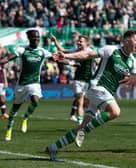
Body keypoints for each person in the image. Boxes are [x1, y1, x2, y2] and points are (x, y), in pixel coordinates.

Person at [45, 29, 136, 161]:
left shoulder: (132, 61)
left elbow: (134, 76)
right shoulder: (111, 50)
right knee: (115, 112)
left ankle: (54, 147)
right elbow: (87, 54)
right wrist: (66, 56)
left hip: (107, 93)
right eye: (135, 40)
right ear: (127, 40)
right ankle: (83, 131)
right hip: (97, 87)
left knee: (81, 126)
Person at [4, 29, 56, 141]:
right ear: (29, 38)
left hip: (35, 83)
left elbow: (57, 59)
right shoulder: (22, 50)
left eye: (38, 37)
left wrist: (71, 63)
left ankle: (26, 117)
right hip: (22, 84)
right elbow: (8, 58)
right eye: (34, 37)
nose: (36, 39)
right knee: (14, 110)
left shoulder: (43, 51)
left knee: (35, 101)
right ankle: (9, 129)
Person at [51, 34, 99, 125]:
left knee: (88, 102)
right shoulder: (76, 51)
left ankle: (92, 116)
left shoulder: (91, 52)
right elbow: (63, 50)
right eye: (78, 41)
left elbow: (98, 61)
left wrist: (97, 63)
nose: (78, 43)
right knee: (80, 101)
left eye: (81, 41)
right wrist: (55, 41)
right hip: (78, 80)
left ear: (86, 43)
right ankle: (80, 123)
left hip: (89, 81)